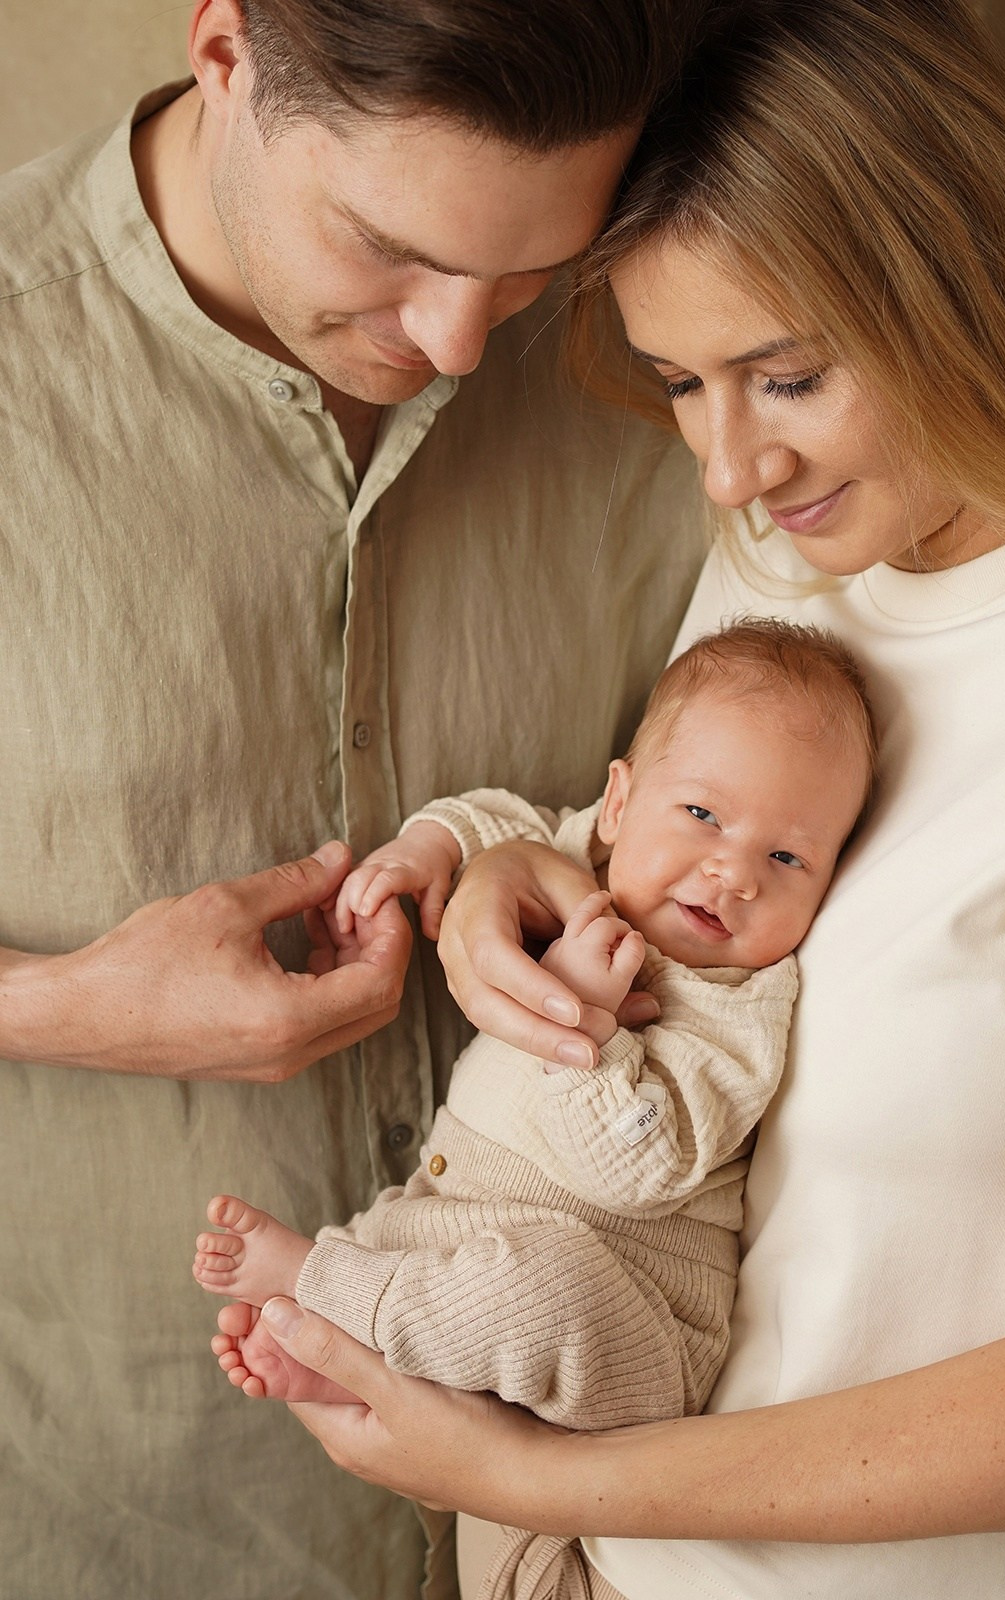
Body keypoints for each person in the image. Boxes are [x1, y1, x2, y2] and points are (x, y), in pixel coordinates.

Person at [214, 1, 1005, 1597]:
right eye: (682, 381)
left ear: (954, 277)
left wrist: (535, 1467)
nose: (728, 467)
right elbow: (674, 872)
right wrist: (509, 883)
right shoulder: (776, 570)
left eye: (787, 376)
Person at [0, 1, 713, 1595]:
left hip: (592, 1523)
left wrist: (543, 859)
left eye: (525, 268)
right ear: (226, 54)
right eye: (385, 246)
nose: (458, 342)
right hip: (131, 1515)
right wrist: (52, 1003)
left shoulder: (670, 336)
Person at [191, 620, 874, 1429]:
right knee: (415, 1242)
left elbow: (643, 1169)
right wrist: (428, 847)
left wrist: (583, 1018)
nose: (732, 873)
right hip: (450, 1216)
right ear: (618, 803)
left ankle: (324, 1287)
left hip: (625, 1316)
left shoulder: (739, 1005)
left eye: (787, 859)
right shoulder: (586, 865)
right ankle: (360, 1362)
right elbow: (502, 825)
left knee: (543, 1291)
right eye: (702, 813)